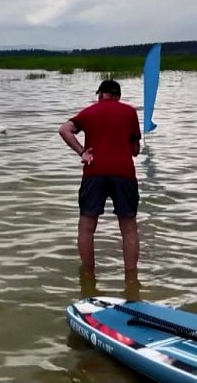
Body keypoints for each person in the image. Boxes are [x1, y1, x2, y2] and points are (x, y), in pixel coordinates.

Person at [58, 80, 141, 276]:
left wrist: (82, 152)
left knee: (87, 227)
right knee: (129, 229)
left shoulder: (89, 112)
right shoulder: (130, 112)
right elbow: (135, 151)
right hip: (124, 174)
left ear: (101, 94)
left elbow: (64, 130)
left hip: (94, 171)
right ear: (118, 96)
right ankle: (130, 279)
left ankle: (88, 276)